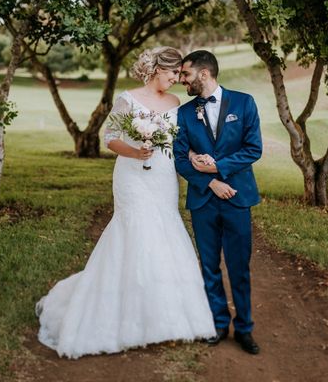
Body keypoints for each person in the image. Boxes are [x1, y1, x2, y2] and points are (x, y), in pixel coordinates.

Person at [35, 47, 216, 359]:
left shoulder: (176, 104)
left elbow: (180, 143)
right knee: (135, 232)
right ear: (157, 69)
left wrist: (194, 157)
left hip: (162, 176)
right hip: (132, 176)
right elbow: (110, 138)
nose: (176, 79)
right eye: (173, 72)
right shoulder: (128, 99)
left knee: (164, 231)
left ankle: (165, 316)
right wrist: (135, 151)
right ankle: (123, 316)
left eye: (179, 74)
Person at [174, 49, 263, 355]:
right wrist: (210, 182)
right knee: (209, 266)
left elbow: (253, 149)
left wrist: (217, 168)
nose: (181, 80)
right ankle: (217, 323)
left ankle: (245, 329)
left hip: (237, 198)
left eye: (185, 74)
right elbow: (180, 158)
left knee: (239, 267)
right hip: (203, 200)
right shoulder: (184, 113)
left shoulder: (244, 102)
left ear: (204, 73)